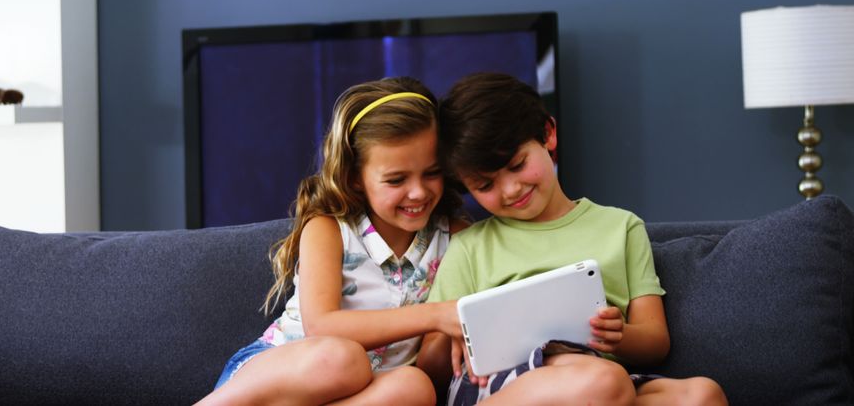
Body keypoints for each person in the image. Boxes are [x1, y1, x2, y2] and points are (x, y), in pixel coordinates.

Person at [418, 72, 727, 405]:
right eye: (485, 186)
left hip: (606, 379)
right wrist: (459, 332)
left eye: (518, 165)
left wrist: (618, 336)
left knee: (701, 394)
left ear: (548, 135)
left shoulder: (621, 227)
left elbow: (655, 341)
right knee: (604, 382)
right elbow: (430, 365)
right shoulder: (471, 246)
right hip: (502, 386)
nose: (510, 189)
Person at [197, 77, 470, 406]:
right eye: (397, 179)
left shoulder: (456, 239)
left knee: (416, 387)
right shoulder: (328, 227)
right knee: (342, 358)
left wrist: (460, 326)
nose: (418, 192)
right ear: (355, 178)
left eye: (432, 173)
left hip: (364, 392)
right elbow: (322, 325)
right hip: (276, 378)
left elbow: (432, 365)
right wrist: (437, 315)